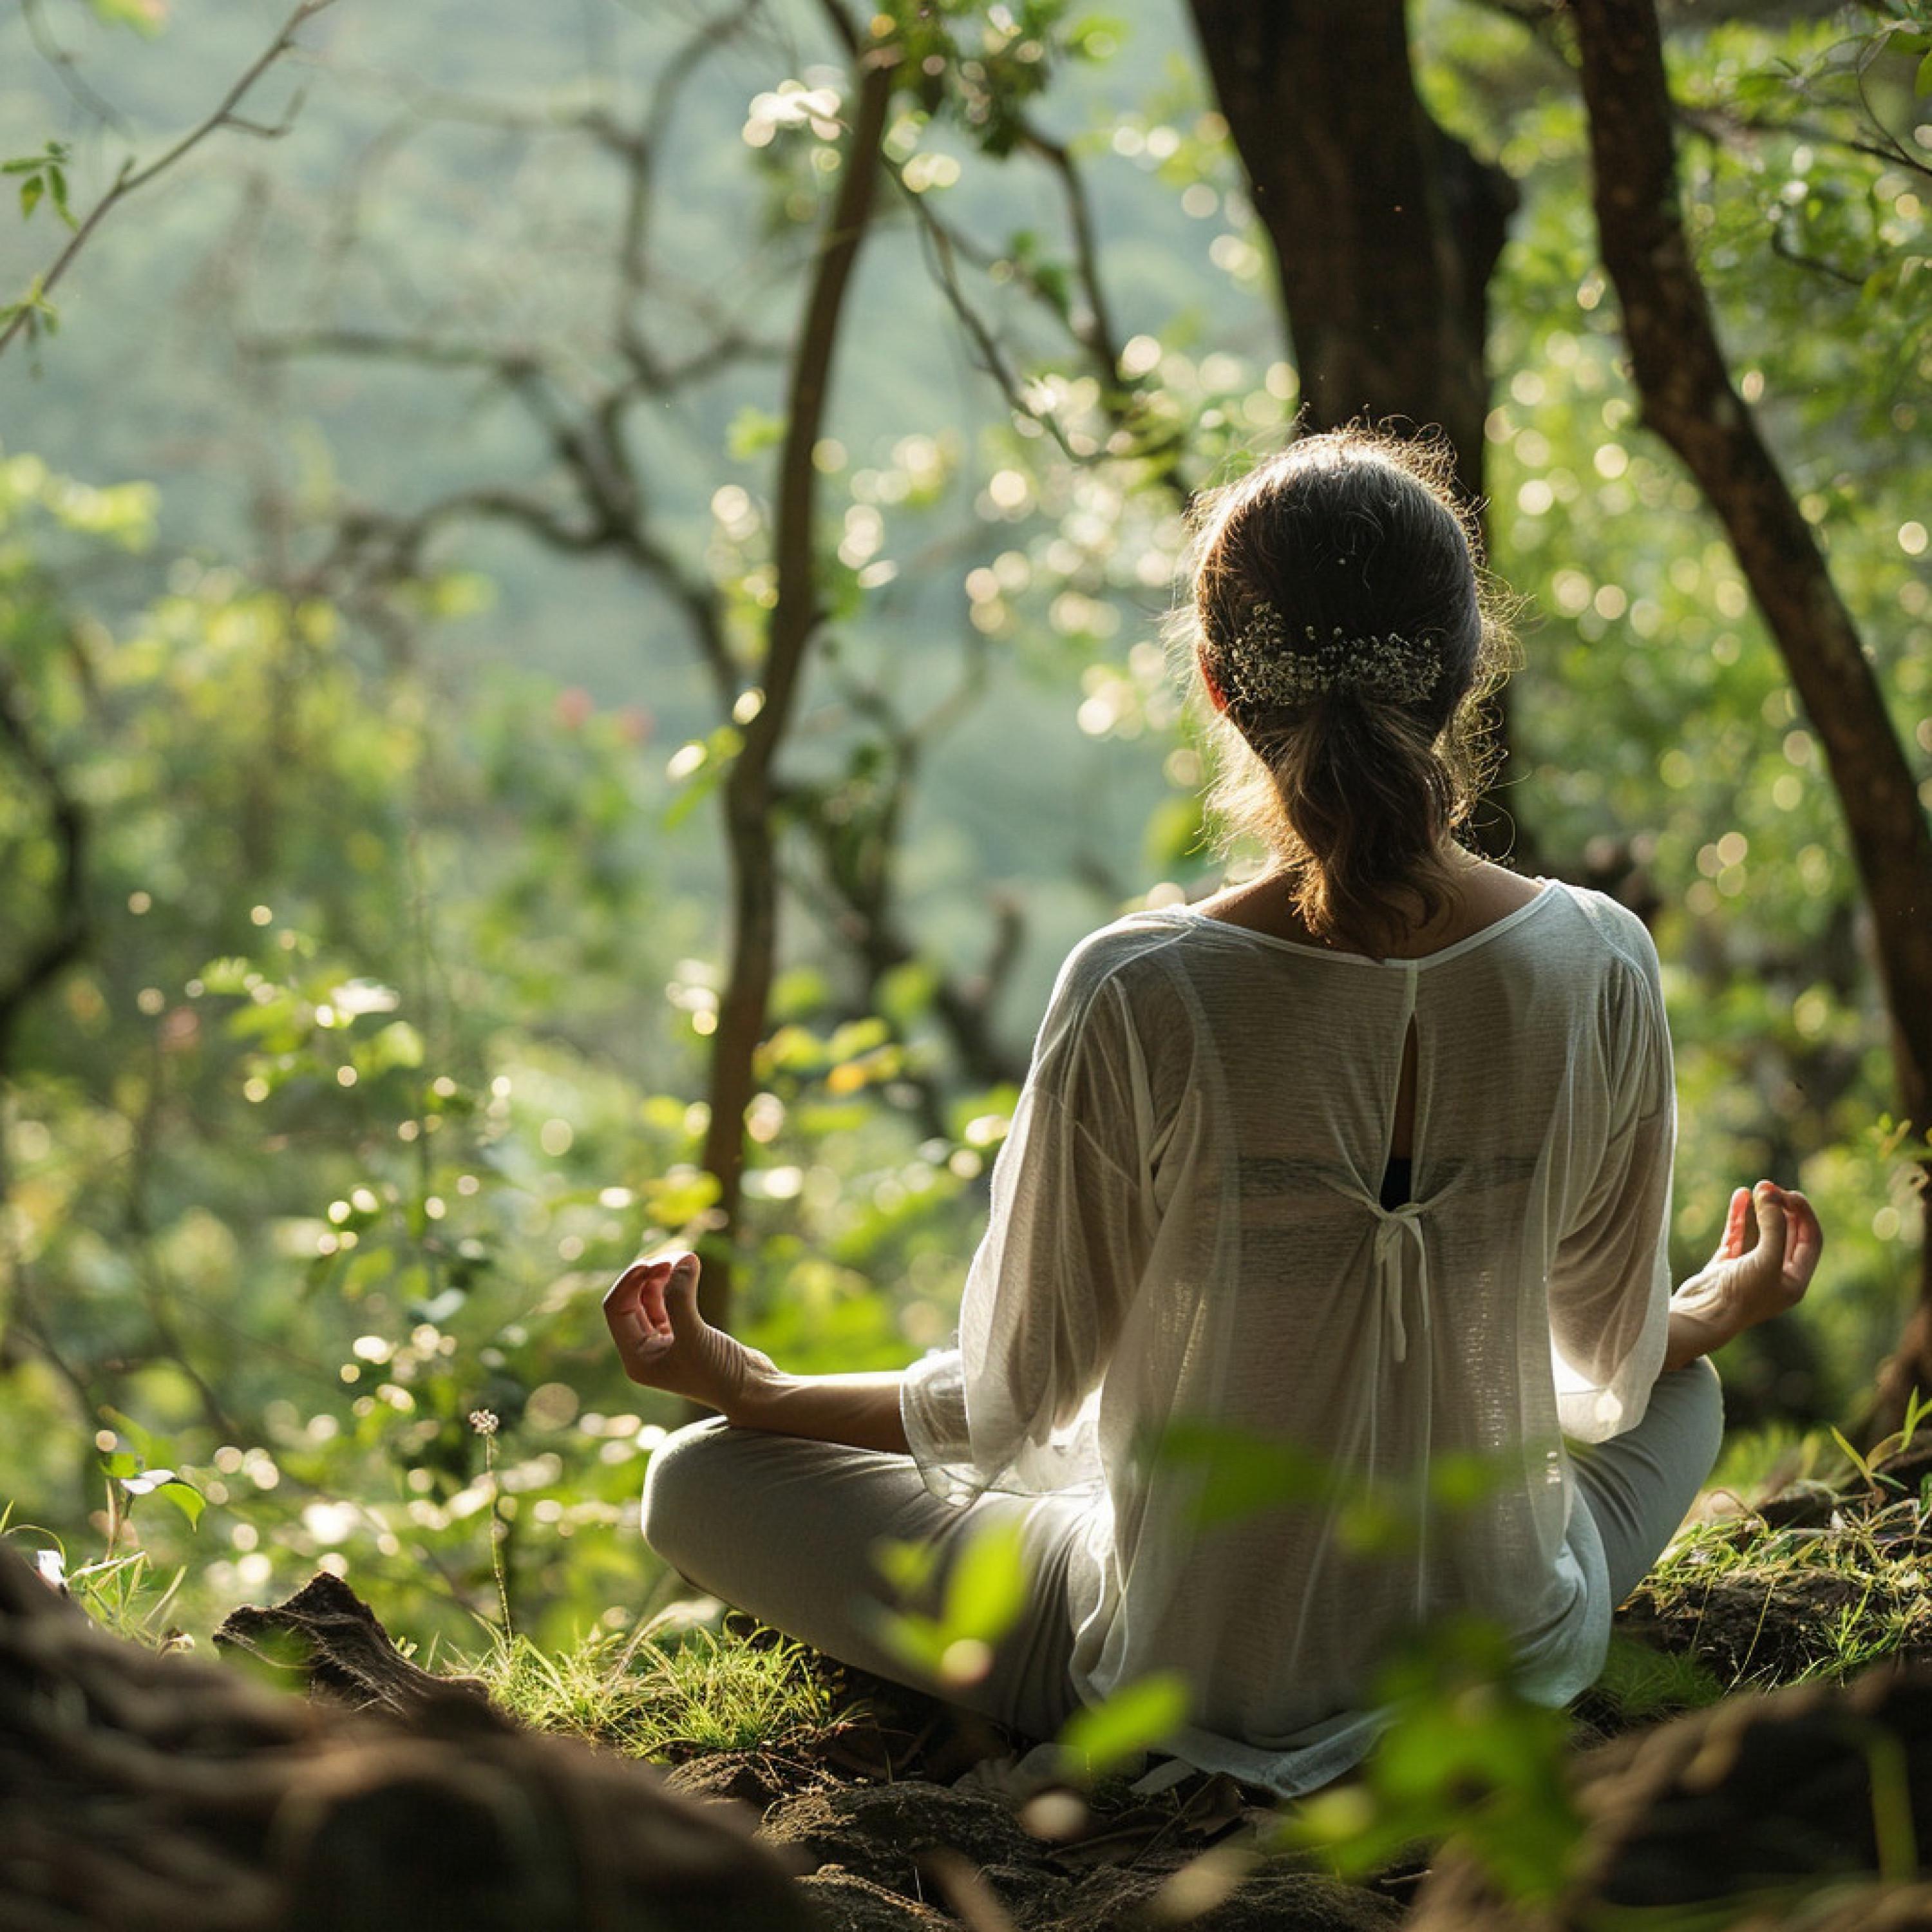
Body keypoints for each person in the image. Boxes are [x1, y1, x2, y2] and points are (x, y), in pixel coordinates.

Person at [606, 425, 1823, 1797]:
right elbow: (1603, 1372)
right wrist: (1716, 1306)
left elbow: (1008, 1403)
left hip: (1188, 1672)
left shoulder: (1143, 988)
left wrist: (748, 1386)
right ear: (1470, 664)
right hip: (1500, 1646)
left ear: (1213, 681)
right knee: (1690, 1392)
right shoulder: (1600, 957)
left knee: (698, 1480)